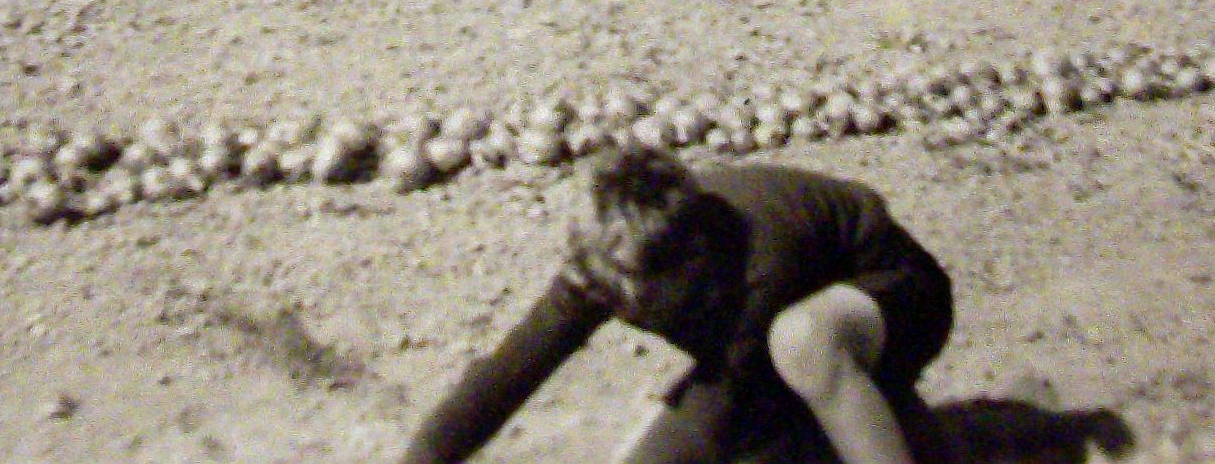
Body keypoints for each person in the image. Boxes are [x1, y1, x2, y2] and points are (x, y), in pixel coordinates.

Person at [401, 146, 954, 464]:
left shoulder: (762, 264)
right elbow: (509, 373)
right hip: (776, 350)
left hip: (893, 300)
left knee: (801, 346)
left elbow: (728, 405)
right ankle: (897, 421)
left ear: (689, 260)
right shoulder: (606, 259)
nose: (608, 297)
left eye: (627, 284)